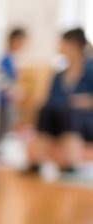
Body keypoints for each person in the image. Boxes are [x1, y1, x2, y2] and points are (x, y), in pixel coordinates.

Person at [24, 28, 93, 174]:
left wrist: (84, 101)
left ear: (74, 44)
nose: (59, 46)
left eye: (63, 42)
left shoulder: (90, 69)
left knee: (69, 112)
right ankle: (35, 160)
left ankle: (71, 161)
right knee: (45, 109)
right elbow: (51, 99)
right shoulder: (59, 73)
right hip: (59, 116)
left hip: (85, 119)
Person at [0, 28, 27, 147]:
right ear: (13, 40)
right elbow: (0, 80)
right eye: (20, 41)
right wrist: (13, 91)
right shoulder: (3, 58)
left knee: (6, 126)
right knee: (0, 126)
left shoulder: (12, 58)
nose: (22, 45)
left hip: (7, 100)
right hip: (1, 100)